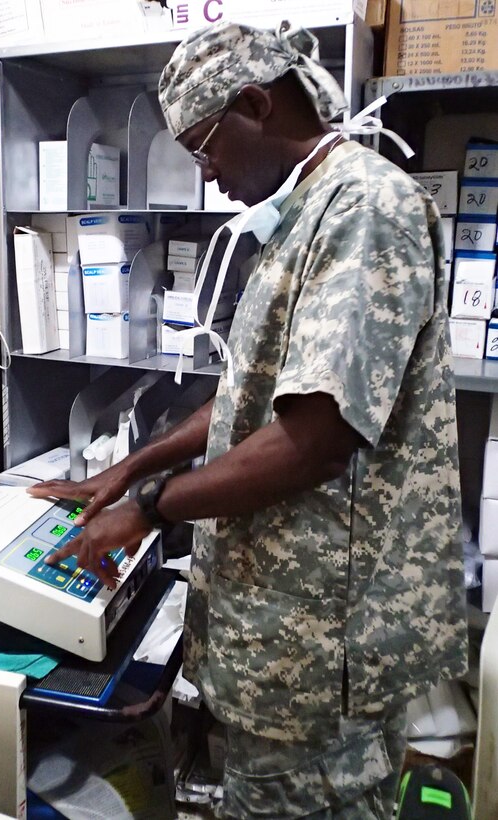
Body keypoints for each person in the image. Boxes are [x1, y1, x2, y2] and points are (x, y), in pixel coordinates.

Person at [29, 20, 469, 819]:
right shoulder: (302, 214)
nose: (207, 175)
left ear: (256, 105)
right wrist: (130, 468)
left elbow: (310, 444)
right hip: (279, 648)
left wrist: (152, 511)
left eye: (205, 148)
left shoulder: (364, 210)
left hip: (320, 662)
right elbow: (253, 399)